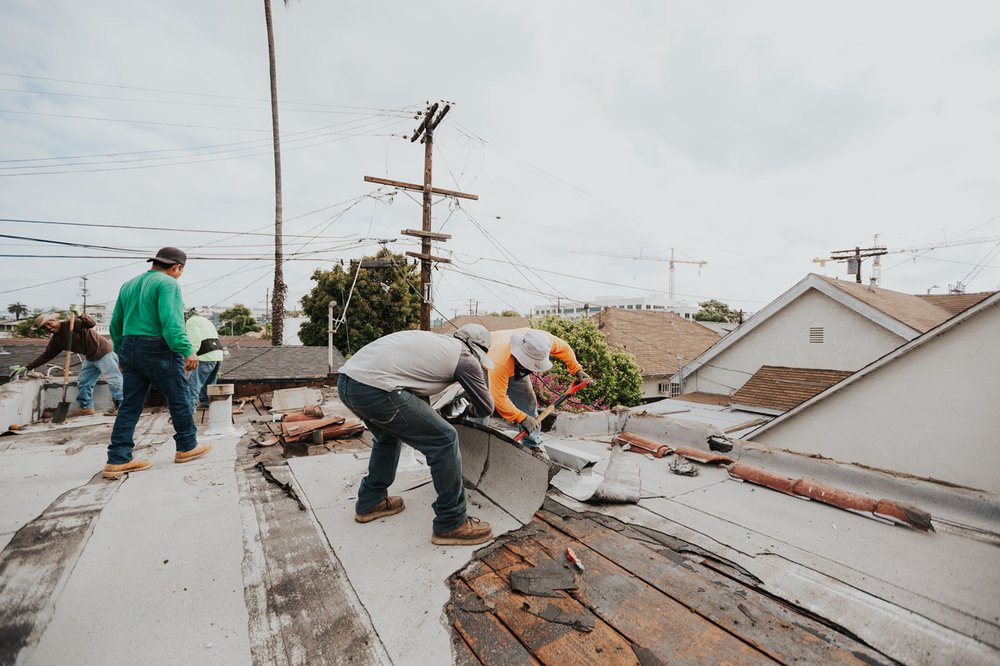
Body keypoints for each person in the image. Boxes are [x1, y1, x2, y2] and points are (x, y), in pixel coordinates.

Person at [337, 324, 496, 546]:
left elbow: (416, 399)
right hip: (376, 389)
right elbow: (486, 407)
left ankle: (370, 502)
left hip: (348, 384)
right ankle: (451, 523)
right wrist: (466, 410)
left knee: (388, 437)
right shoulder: (465, 357)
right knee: (445, 440)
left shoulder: (435, 345)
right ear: (477, 348)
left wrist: (435, 418)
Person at [104, 247, 213, 480]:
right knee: (179, 396)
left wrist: (121, 351)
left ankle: (117, 459)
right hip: (157, 346)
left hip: (129, 346)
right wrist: (187, 350)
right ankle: (187, 446)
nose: (179, 275)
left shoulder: (129, 284)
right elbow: (171, 323)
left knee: (130, 404)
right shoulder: (167, 284)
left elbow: (115, 325)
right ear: (176, 267)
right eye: (180, 271)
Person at [484, 328, 590, 448]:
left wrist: (577, 369)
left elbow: (565, 349)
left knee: (528, 402)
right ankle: (476, 436)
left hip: (511, 366)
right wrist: (522, 418)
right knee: (483, 404)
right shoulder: (500, 361)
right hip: (486, 361)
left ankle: (531, 444)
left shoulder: (543, 342)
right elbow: (498, 398)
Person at [13, 311, 124, 417]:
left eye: (49, 323)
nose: (48, 327)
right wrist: (27, 367)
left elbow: (91, 323)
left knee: (114, 379)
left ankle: (123, 408)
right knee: (84, 382)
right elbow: (46, 356)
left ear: (55, 320)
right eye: (44, 327)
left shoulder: (71, 323)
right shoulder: (57, 340)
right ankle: (86, 408)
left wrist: (80, 314)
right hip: (90, 358)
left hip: (104, 353)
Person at [184, 307, 224, 412]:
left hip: (205, 355)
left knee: (194, 383)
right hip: (217, 354)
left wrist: (191, 354)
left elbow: (195, 339)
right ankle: (207, 403)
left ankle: (190, 408)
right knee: (209, 383)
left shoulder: (191, 322)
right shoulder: (206, 320)